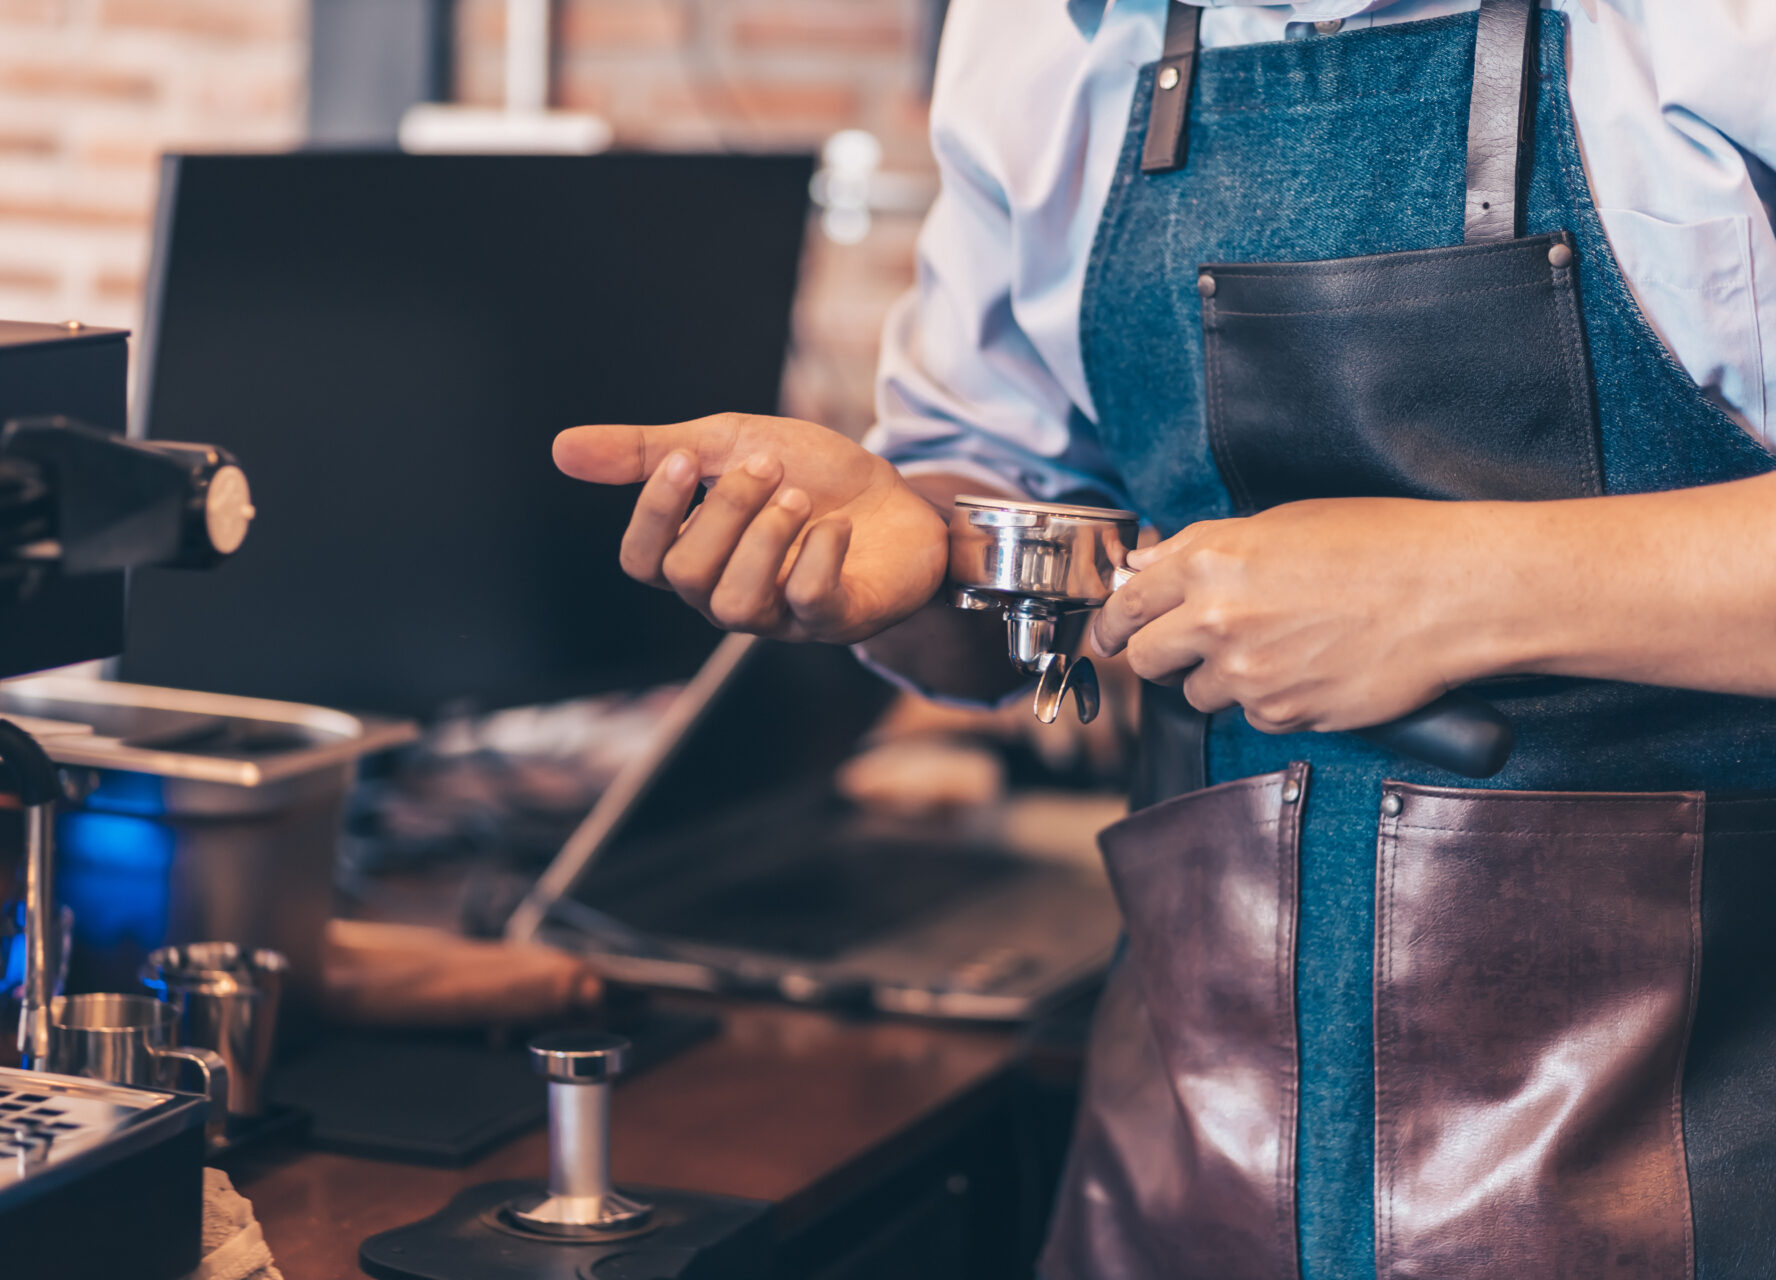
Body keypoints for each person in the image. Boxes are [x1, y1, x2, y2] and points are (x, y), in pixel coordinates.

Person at [553, 0, 1776, 1275]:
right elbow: (1007, 566)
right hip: (1184, 1170)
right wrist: (910, 550)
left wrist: (1471, 586)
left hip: (1711, 1165)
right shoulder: (1044, 36)